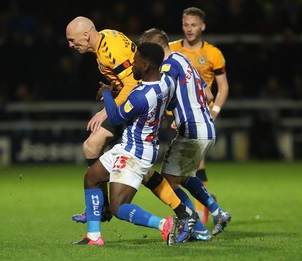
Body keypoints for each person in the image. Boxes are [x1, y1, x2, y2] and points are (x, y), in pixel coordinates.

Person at [66, 16, 199, 230]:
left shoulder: (111, 50)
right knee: (142, 171)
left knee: (93, 147)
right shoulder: (105, 38)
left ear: (86, 35)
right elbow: (125, 79)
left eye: (72, 40)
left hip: (137, 105)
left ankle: (105, 208)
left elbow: (131, 84)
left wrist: (106, 110)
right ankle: (184, 212)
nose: (70, 45)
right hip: (139, 101)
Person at [137, 28, 231, 240]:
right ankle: (218, 212)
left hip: (193, 129)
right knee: (184, 175)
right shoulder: (184, 59)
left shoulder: (168, 65)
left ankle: (193, 227)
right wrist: (183, 112)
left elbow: (161, 93)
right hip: (206, 127)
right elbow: (207, 94)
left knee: (167, 182)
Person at [169, 7, 230, 224]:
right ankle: (207, 205)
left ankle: (197, 214)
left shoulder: (213, 54)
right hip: (174, 117)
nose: (189, 29)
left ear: (202, 26)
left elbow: (223, 87)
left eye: (194, 25)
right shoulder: (171, 48)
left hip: (200, 115)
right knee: (187, 166)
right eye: (186, 24)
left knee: (192, 163)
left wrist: (214, 111)